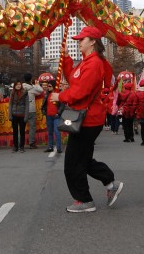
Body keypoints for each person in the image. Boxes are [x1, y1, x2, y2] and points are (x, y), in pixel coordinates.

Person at [51, 27, 123, 213]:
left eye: (82, 39)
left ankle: (84, 200)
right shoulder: (85, 62)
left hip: (88, 119)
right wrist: (66, 58)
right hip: (85, 118)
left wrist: (60, 97)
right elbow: (74, 80)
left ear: (92, 42)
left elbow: (80, 91)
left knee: (73, 163)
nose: (78, 41)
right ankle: (110, 182)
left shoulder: (94, 64)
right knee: (82, 159)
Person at [42, 75, 62, 156]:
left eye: (49, 86)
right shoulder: (47, 94)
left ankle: (59, 147)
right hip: (49, 115)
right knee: (50, 132)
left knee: (57, 132)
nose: (48, 87)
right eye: (47, 86)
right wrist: (44, 111)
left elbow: (62, 105)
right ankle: (50, 146)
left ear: (53, 86)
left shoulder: (58, 94)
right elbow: (44, 104)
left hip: (56, 116)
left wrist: (59, 113)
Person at [23, 74, 43, 149]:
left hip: (22, 110)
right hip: (31, 110)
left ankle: (20, 143)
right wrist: (37, 84)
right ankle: (31, 143)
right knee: (32, 127)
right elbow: (41, 91)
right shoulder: (32, 88)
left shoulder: (21, 87)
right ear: (31, 79)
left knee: (22, 127)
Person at [8, 81, 28, 152]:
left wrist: (26, 116)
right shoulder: (12, 93)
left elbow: (27, 105)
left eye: (19, 84)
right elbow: (10, 104)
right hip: (14, 115)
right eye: (17, 84)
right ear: (15, 86)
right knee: (15, 132)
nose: (18, 86)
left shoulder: (25, 92)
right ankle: (15, 147)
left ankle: (22, 146)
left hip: (22, 114)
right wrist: (10, 115)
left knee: (22, 132)